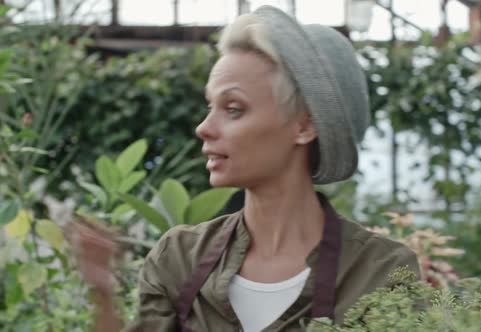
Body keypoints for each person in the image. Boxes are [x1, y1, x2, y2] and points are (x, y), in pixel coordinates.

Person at [71, 5, 420, 332]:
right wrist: (103, 295)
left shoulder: (380, 272)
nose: (204, 128)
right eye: (210, 106)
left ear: (304, 126)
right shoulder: (178, 258)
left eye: (234, 109)